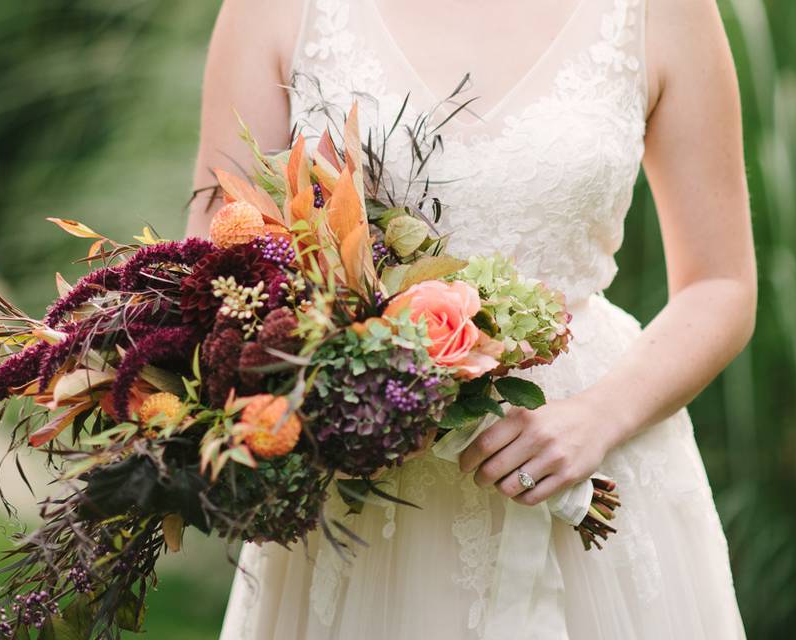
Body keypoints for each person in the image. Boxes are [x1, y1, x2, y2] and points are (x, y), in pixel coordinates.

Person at [186, 1, 754, 638]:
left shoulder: (663, 11)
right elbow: (222, 263)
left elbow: (720, 283)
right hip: (364, 472)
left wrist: (600, 416)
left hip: (592, 453)